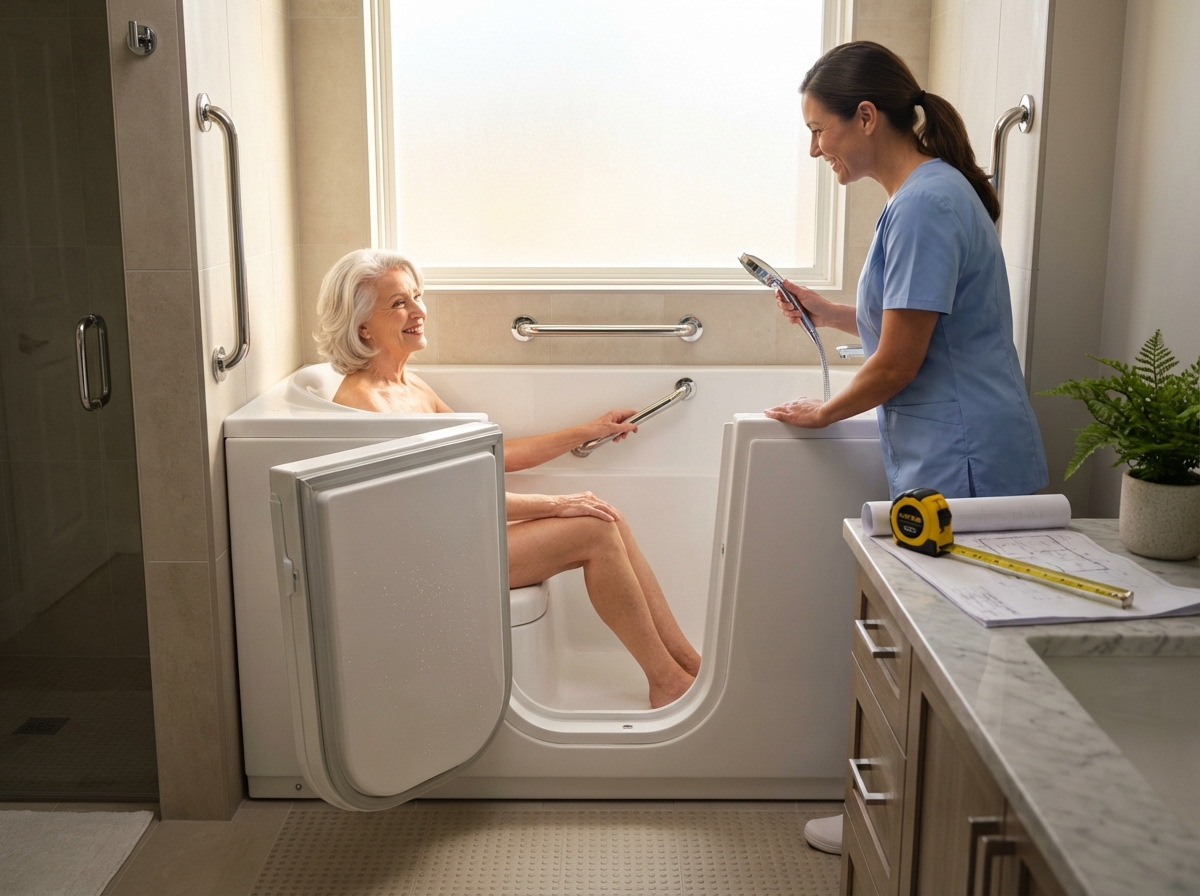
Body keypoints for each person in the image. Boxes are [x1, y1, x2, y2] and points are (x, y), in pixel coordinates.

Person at [766, 42, 1048, 854]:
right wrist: (828, 310)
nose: (815, 149)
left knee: (956, 666)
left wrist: (824, 412)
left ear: (865, 116)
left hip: (965, 462)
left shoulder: (924, 203)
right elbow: (910, 323)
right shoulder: (931, 195)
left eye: (820, 131)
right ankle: (918, 828)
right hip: (958, 452)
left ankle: (913, 831)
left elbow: (901, 359)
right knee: (953, 664)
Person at [314, 248, 701, 709]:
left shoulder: (409, 387)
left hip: (449, 540)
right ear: (362, 325)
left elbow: (486, 456)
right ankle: (666, 682)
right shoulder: (367, 405)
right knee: (593, 529)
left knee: (605, 514)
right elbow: (451, 501)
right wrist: (557, 504)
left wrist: (588, 431)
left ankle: (689, 665)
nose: (418, 311)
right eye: (398, 303)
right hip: (422, 563)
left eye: (417, 297)